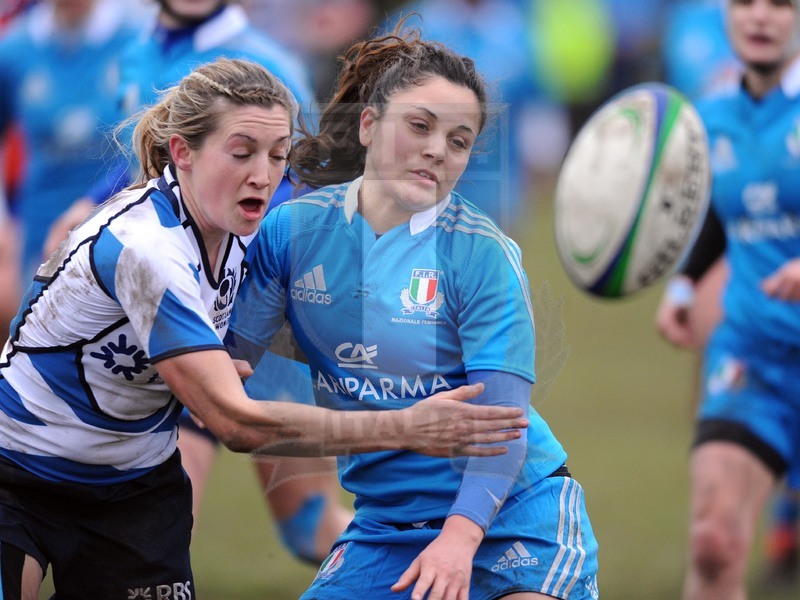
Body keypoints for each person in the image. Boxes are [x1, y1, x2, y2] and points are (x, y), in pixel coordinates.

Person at [0, 57, 529, 599]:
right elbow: (236, 423)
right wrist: (407, 427)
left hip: (135, 489)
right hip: (18, 470)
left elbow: (305, 336)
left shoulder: (256, 233)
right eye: (241, 153)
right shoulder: (146, 251)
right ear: (182, 152)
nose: (263, 174)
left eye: (278, 156)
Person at [226, 27, 599, 600]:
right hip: (385, 527)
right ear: (369, 124)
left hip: (512, 516)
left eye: (459, 139)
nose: (437, 150)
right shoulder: (292, 234)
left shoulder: (479, 252)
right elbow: (227, 373)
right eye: (419, 125)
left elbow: (502, 427)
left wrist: (458, 540)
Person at [40, 0, 352, 564]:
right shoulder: (140, 47)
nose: (261, 163)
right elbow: (153, 156)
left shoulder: (267, 64)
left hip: (251, 315)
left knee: (310, 530)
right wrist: (87, 207)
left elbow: (286, 194)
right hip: (172, 307)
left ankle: (450, 564)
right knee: (152, 537)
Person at [655, 0, 800, 598]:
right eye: (745, 2)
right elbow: (719, 211)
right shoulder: (710, 113)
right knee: (713, 544)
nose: (760, 17)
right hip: (753, 351)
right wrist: (685, 284)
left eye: (780, 4)